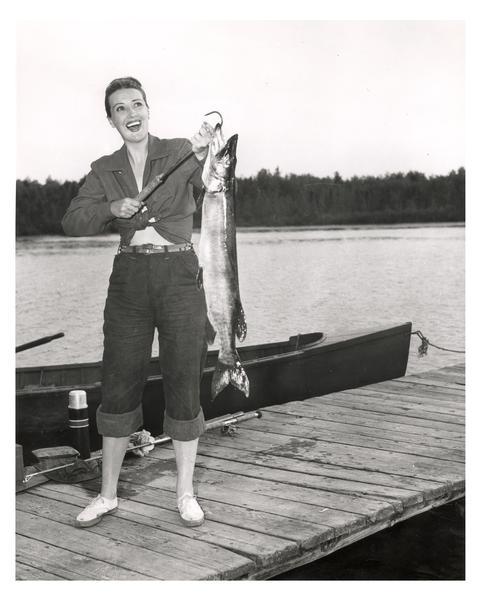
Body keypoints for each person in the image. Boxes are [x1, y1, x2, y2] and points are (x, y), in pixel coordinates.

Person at [62, 76, 214, 528]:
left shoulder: (180, 152)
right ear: (111, 120)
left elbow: (209, 179)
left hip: (180, 275)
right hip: (129, 278)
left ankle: (184, 493)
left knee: (185, 377)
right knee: (119, 380)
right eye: (120, 109)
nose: (131, 114)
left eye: (137, 104)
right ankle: (107, 495)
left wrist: (205, 150)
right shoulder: (104, 169)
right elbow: (72, 221)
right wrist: (112, 208)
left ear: (149, 109)